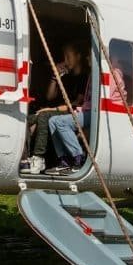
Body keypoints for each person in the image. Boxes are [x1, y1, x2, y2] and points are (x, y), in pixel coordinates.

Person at [21, 40, 90, 175]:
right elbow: (50, 97)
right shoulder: (67, 76)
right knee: (27, 120)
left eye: (68, 56)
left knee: (44, 116)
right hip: (57, 110)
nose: (65, 60)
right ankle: (25, 159)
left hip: (69, 112)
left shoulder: (84, 78)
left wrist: (50, 110)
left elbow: (75, 105)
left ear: (78, 56)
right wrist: (55, 77)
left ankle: (39, 158)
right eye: (64, 57)